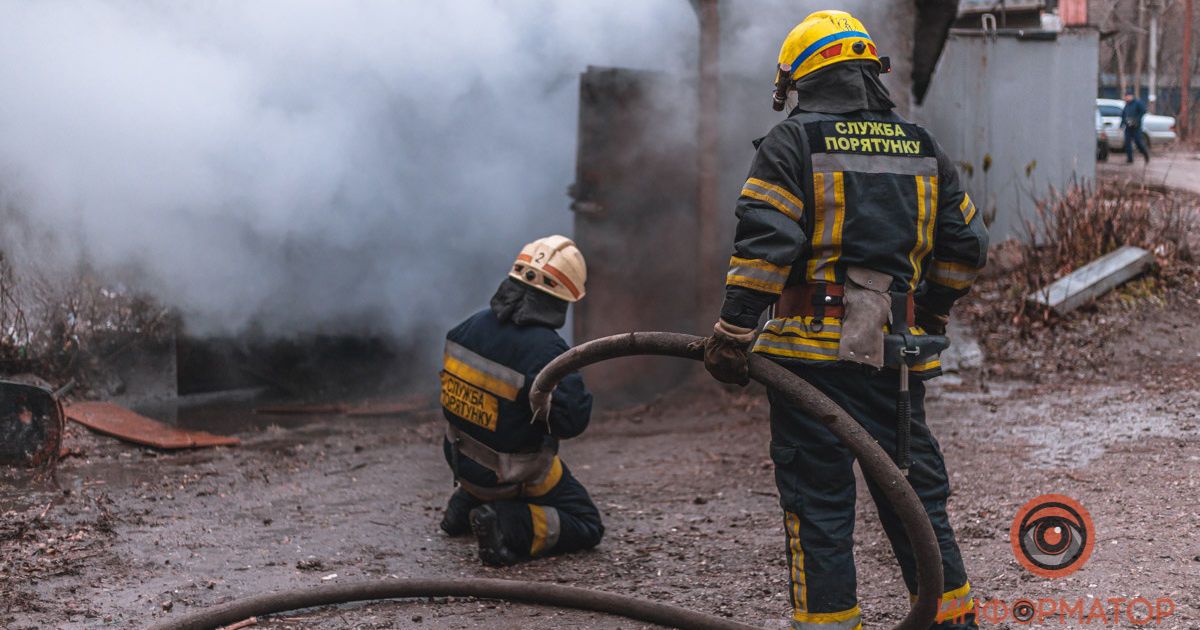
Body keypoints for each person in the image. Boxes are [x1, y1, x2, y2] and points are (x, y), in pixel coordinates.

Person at [696, 11, 988, 630]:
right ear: (867, 75)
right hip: (894, 359)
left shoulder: (791, 143)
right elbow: (965, 248)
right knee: (914, 498)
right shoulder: (922, 145)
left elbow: (764, 245)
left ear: (802, 80)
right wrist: (926, 310)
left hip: (810, 362)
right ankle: (951, 621)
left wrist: (733, 332)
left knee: (819, 506)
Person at [438, 235, 602, 566]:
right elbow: (571, 423)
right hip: (507, 475)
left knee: (498, 428)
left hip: (461, 460)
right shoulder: (549, 353)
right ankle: (505, 522)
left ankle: (465, 504)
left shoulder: (466, 328)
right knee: (586, 523)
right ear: (561, 299)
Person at [1121, 90, 1150, 163]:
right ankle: (1130, 159)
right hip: (1128, 127)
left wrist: (1136, 119)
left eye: (1128, 96)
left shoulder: (1137, 103)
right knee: (1127, 143)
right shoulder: (1126, 105)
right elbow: (1123, 115)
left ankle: (1145, 153)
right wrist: (1122, 124)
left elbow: (1143, 111)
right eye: (1126, 96)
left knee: (1138, 142)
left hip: (1136, 127)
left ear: (1131, 96)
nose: (1126, 98)